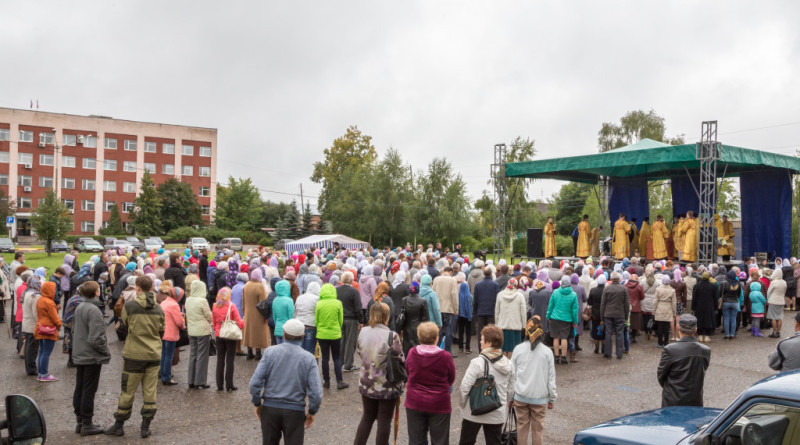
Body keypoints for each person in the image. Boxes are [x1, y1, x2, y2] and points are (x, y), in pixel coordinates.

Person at [104, 276, 165, 438]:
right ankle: (145, 426)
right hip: (153, 353)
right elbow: (161, 331)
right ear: (152, 288)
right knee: (150, 390)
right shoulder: (159, 308)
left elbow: (125, 322)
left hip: (134, 354)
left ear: (137, 288)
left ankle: (119, 425)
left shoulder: (130, 307)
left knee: (128, 390)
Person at [249, 318, 322, 445]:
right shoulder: (309, 359)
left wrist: (257, 403)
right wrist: (311, 411)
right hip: (295, 411)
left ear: (283, 333)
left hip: (270, 408)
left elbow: (255, 383)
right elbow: (316, 393)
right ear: (303, 335)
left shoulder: (270, 352)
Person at [353, 303, 405, 445]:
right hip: (386, 384)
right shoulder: (392, 336)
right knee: (384, 420)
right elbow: (400, 359)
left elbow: (359, 350)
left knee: (367, 417)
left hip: (366, 382)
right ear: (386, 316)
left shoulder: (363, 331)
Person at [457, 324, 514, 445]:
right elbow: (511, 391)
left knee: (466, 441)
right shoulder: (509, 364)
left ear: (488, 343)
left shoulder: (477, 363)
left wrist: (462, 404)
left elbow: (465, 387)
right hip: (496, 411)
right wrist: (504, 403)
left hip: (474, 410)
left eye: (482, 339)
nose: (480, 341)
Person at [404, 321, 456, 445]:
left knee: (416, 440)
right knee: (440, 440)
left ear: (419, 337)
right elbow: (451, 378)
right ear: (436, 338)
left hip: (414, 401)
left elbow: (408, 371)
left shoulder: (412, 353)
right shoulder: (445, 356)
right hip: (439, 403)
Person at [71, 281, 110, 436]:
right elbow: (96, 338)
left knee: (80, 387)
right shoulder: (93, 310)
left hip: (81, 352)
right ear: (95, 292)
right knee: (88, 389)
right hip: (90, 354)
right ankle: (87, 423)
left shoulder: (80, 306)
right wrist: (105, 351)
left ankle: (80, 422)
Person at [511, 316, 556, 445]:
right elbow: (551, 377)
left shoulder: (518, 349)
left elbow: (512, 376)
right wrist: (552, 398)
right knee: (538, 430)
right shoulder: (547, 352)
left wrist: (510, 397)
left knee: (521, 428)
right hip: (539, 398)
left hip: (520, 397)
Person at [657, 314, 711, 407]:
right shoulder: (705, 350)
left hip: (672, 399)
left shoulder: (670, 350)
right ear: (695, 330)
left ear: (678, 327)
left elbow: (661, 376)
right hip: (695, 399)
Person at [315, 283, 348, 389]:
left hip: (322, 334)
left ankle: (327, 381)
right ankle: (339, 381)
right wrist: (337, 328)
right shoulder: (338, 303)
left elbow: (317, 320)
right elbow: (340, 320)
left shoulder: (319, 304)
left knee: (325, 358)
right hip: (335, 334)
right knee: (336, 357)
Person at [185, 280, 213, 389]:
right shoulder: (202, 301)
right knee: (202, 355)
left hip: (192, 330)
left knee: (193, 354)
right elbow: (209, 316)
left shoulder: (188, 300)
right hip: (202, 330)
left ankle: (191, 380)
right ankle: (200, 381)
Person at [546, 276, 579, 364]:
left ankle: (556, 357)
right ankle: (564, 357)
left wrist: (548, 316)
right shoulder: (573, 295)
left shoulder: (556, 292)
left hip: (554, 318)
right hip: (566, 319)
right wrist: (575, 321)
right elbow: (575, 310)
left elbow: (550, 305)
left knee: (555, 338)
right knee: (564, 338)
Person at [35, 281, 61, 382]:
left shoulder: (41, 299)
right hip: (49, 329)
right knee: (46, 353)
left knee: (41, 351)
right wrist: (59, 325)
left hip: (40, 327)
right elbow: (55, 319)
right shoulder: (49, 303)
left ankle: (41, 373)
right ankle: (44, 374)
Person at [337, 271, 364, 372]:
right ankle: (348, 364)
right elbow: (358, 308)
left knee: (342, 341)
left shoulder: (337, 290)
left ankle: (340, 361)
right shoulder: (354, 291)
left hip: (340, 318)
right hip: (351, 319)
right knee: (350, 342)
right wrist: (361, 321)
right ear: (352, 281)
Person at [495, 278, 527, 358]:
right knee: (514, 349)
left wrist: (496, 324)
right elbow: (523, 312)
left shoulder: (500, 295)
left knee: (503, 348)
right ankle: (512, 367)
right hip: (515, 326)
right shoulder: (520, 296)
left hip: (502, 325)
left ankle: (504, 367)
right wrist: (524, 325)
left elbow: (497, 311)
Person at [601, 272, 629, 359]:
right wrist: (626, 316)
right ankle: (619, 353)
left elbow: (603, 304)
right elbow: (626, 304)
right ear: (619, 279)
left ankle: (608, 352)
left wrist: (602, 317)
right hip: (620, 314)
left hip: (608, 314)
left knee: (608, 333)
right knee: (620, 333)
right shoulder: (623, 289)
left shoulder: (607, 288)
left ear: (611, 278)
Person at [432, 266, 459, 356]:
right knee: (449, 330)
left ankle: (437, 349)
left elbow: (433, 292)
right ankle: (447, 351)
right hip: (449, 308)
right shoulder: (452, 280)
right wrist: (456, 309)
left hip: (438, 307)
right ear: (451, 272)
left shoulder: (436, 279)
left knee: (438, 330)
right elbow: (454, 295)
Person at [243, 270, 270, 360]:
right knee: (258, 333)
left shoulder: (246, 285)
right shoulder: (260, 286)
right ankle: (258, 353)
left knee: (248, 332)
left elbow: (243, 300)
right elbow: (263, 304)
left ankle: (249, 352)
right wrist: (266, 316)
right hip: (258, 313)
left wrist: (244, 311)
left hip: (248, 312)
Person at [398, 281, 429, 356]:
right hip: (418, 327)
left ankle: (407, 364)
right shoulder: (423, 301)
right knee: (418, 348)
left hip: (407, 327)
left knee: (407, 348)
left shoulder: (404, 300)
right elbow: (425, 318)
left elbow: (402, 314)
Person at [473, 267, 500, 346]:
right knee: (491, 333)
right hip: (491, 312)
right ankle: (490, 348)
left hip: (481, 311)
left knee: (481, 333)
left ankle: (481, 349)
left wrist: (475, 312)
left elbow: (475, 300)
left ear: (484, 274)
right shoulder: (495, 285)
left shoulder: (478, 285)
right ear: (491, 273)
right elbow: (497, 299)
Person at [21, 275, 42, 376]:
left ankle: (29, 367)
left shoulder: (26, 293)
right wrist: (40, 324)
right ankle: (31, 369)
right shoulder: (36, 295)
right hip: (33, 324)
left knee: (29, 347)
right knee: (32, 348)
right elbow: (36, 312)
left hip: (26, 323)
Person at [294, 281, 321, 354]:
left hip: (298, 325)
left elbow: (295, 311)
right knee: (309, 352)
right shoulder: (317, 299)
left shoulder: (300, 297)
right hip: (311, 325)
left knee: (299, 350)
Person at [692, 273, 718, 342]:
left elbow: (694, 297)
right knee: (708, 320)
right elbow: (715, 298)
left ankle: (700, 335)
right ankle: (707, 336)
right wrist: (716, 307)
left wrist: (693, 307)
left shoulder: (697, 286)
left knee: (699, 320)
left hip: (699, 306)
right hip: (709, 306)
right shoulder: (713, 286)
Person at [653, 275, 677, 348]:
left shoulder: (658, 289)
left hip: (660, 307)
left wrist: (653, 310)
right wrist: (674, 312)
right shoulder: (672, 290)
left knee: (660, 326)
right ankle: (666, 342)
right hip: (668, 308)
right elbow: (673, 302)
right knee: (667, 327)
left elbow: (655, 301)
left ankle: (660, 342)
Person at [720, 270, 743, 340]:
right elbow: (739, 295)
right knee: (733, 319)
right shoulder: (738, 284)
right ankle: (732, 334)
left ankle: (727, 334)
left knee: (726, 318)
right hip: (735, 302)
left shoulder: (723, 284)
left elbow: (721, 293)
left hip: (726, 302)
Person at [272, 280, 294, 344]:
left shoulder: (275, 300)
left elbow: (274, 316)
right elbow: (291, 316)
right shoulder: (289, 300)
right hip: (287, 329)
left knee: (279, 349)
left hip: (278, 328)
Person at [587, 275, 606, 354]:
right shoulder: (606, 290)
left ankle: (596, 347)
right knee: (604, 331)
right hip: (604, 314)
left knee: (595, 330)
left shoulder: (593, 290)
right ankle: (603, 348)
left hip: (595, 313)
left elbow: (589, 301)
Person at [456, 272, 473, 354]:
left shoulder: (458, 295)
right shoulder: (468, 296)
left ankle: (460, 347)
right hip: (467, 315)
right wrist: (470, 316)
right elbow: (469, 307)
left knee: (460, 331)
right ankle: (467, 348)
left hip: (460, 315)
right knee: (468, 332)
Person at [767, 268, 787, 338]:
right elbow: (784, 291)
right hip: (781, 301)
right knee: (780, 317)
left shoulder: (773, 282)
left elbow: (769, 292)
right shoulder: (784, 282)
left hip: (773, 301)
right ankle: (778, 332)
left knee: (773, 317)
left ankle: (774, 332)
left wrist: (768, 298)